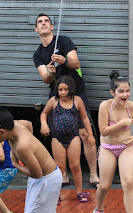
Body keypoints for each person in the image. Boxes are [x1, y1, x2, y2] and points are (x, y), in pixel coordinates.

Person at [33, 13, 99, 187]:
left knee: (84, 132)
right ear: (36, 29)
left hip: (76, 92)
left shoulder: (63, 41)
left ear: (52, 26)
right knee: (59, 133)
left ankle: (93, 174)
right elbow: (46, 80)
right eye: (40, 22)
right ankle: (63, 174)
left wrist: (64, 61)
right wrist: (49, 72)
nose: (43, 24)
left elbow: (76, 63)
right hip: (56, 96)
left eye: (46, 21)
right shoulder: (38, 54)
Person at [0, 107, 62, 213]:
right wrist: (32, 149)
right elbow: (29, 124)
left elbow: (37, 174)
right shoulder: (16, 125)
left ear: (2, 131)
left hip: (46, 180)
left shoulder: (22, 146)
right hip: (43, 177)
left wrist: (16, 164)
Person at [94, 71, 133, 213]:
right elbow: (103, 131)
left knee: (128, 182)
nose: (125, 95)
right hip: (107, 147)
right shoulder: (104, 106)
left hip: (125, 147)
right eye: (121, 91)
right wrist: (121, 123)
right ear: (112, 92)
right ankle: (98, 209)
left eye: (127, 91)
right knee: (104, 185)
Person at [40, 75, 95, 203]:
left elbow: (85, 118)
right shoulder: (54, 101)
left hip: (73, 137)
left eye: (65, 89)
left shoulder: (77, 100)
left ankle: (80, 192)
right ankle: (56, 194)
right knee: (59, 166)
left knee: (75, 165)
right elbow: (44, 113)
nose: (63, 93)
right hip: (57, 138)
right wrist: (44, 123)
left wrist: (90, 134)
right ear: (57, 90)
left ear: (71, 89)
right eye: (60, 90)